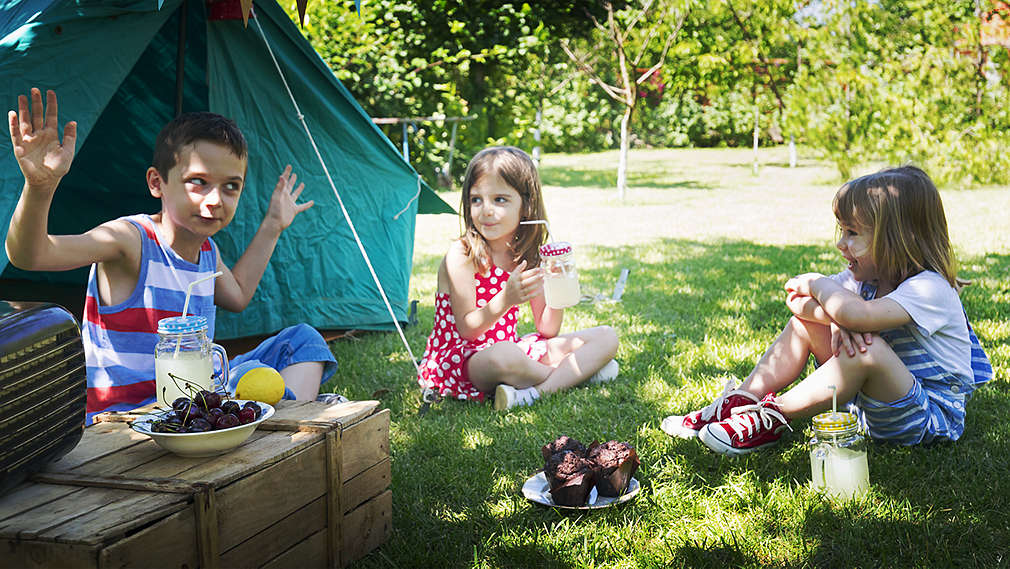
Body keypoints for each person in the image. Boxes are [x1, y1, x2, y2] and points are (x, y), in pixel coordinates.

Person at [6, 88, 340, 424]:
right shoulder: (130, 240)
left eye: (230, 186)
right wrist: (39, 187)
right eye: (198, 182)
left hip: (197, 396)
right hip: (130, 416)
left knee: (302, 341)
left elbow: (237, 295)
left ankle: (288, 415)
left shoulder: (207, 251)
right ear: (157, 182)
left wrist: (272, 225)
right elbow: (31, 255)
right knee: (249, 376)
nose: (215, 200)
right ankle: (286, 414)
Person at [661, 165, 992, 454]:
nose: (840, 243)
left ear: (895, 239)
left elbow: (856, 316)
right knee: (805, 325)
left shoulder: (930, 288)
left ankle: (773, 416)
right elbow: (796, 300)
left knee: (868, 350)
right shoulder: (865, 280)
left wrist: (819, 284)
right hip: (872, 408)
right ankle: (743, 400)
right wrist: (835, 319)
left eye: (852, 233)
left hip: (926, 418)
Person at [416, 146, 619, 411]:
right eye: (476, 199)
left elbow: (547, 329)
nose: (486, 210)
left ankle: (533, 393)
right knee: (504, 355)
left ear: (526, 205)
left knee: (606, 336)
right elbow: (468, 329)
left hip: (514, 350)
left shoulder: (525, 254)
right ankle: (579, 373)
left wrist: (558, 289)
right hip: (464, 360)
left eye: (500, 199)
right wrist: (506, 299)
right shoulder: (463, 253)